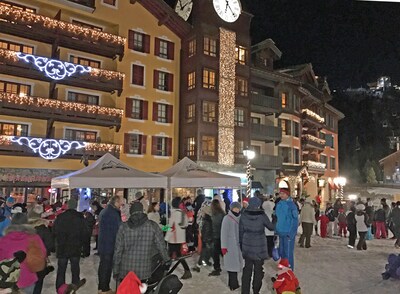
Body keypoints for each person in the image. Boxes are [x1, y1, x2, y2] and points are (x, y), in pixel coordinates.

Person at [113, 202, 169, 283]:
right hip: (144, 270)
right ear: (142, 211)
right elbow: (161, 246)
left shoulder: (123, 227)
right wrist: (166, 259)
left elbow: (118, 250)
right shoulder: (153, 226)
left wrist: (116, 270)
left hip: (125, 270)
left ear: (131, 212)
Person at [0, 212, 47, 294]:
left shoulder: (4, 240)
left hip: (8, 280)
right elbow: (42, 253)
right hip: (28, 277)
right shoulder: (34, 238)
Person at [239, 197, 274, 294]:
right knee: (258, 270)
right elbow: (271, 227)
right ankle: (256, 290)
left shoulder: (244, 214)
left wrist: (242, 244)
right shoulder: (262, 215)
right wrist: (275, 219)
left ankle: (245, 291)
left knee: (247, 269)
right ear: (259, 204)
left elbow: (241, 231)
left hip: (247, 244)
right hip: (259, 246)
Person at [53, 198, 88, 293]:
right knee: (75, 267)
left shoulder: (61, 217)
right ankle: (75, 285)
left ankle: (60, 288)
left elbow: (54, 231)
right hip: (75, 246)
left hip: (62, 246)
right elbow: (85, 233)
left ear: (67, 206)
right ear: (76, 206)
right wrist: (84, 247)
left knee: (61, 269)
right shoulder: (80, 218)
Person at [28, 204, 55, 294]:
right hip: (40, 259)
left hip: (26, 259)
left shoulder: (25, 227)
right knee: (38, 281)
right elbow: (50, 243)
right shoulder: (43, 228)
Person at [97, 196, 122, 294]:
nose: (121, 204)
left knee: (103, 265)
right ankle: (105, 288)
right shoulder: (113, 213)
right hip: (109, 244)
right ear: (116, 202)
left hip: (104, 243)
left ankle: (101, 287)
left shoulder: (105, 211)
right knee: (106, 267)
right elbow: (118, 229)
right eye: (120, 202)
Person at [164, 197, 191, 279]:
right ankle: (187, 271)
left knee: (169, 255)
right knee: (179, 255)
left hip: (174, 238)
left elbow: (171, 227)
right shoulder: (183, 213)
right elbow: (186, 224)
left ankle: (165, 273)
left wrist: (165, 236)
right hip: (181, 238)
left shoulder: (174, 214)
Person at [221, 202, 242, 291]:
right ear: (231, 209)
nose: (236, 209)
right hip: (230, 246)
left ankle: (234, 283)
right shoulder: (226, 218)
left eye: (238, 208)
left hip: (238, 246)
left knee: (235, 265)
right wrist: (224, 246)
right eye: (235, 208)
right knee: (231, 266)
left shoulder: (240, 217)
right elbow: (223, 233)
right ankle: (233, 284)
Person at [275, 187, 298, 271]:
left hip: (288, 233)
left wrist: (291, 233)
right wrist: (276, 229)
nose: (281, 195)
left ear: (287, 194)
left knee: (288, 253)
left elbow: (295, 220)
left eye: (283, 193)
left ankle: (289, 270)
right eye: (280, 193)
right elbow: (277, 218)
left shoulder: (291, 205)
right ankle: (282, 270)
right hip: (280, 232)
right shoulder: (279, 204)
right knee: (281, 252)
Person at [192, 205, 213, 272]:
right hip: (208, 238)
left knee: (203, 252)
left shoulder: (206, 221)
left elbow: (206, 231)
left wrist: (203, 237)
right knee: (206, 251)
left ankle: (199, 265)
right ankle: (205, 261)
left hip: (206, 239)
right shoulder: (209, 220)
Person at [209, 199, 225, 276]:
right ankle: (230, 265)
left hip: (215, 236)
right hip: (222, 236)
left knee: (215, 254)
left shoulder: (213, 215)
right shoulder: (223, 214)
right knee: (222, 252)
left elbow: (212, 226)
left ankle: (217, 268)